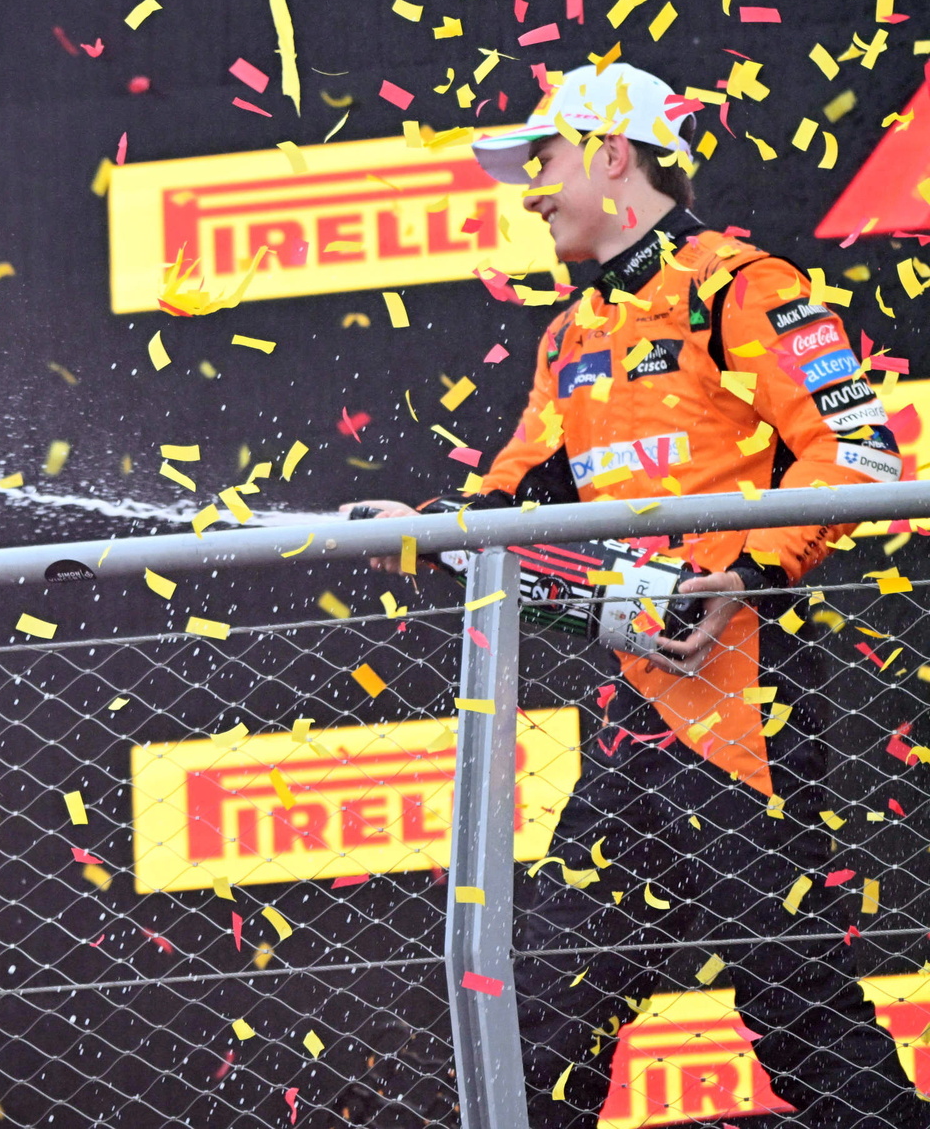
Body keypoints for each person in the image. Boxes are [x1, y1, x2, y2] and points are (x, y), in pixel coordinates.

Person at [348, 62, 925, 1125]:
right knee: (547, 1020)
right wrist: (423, 526)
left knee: (795, 1005)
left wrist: (749, 571)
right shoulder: (571, 333)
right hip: (637, 715)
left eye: (545, 162)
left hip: (752, 703)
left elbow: (857, 447)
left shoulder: (741, 286)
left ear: (613, 153)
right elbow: (514, 495)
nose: (531, 192)